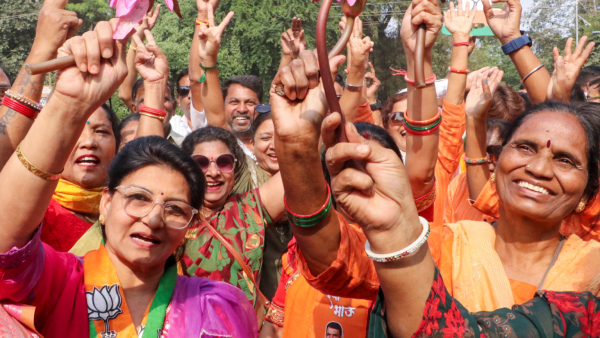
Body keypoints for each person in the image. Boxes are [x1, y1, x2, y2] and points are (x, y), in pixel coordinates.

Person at [0, 20, 256, 337]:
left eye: (175, 209)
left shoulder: (217, 306)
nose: (153, 219)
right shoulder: (60, 284)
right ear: (105, 204)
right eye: (138, 198)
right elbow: (5, 242)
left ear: (190, 225)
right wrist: (68, 105)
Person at [41, 103, 120, 253]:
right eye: (73, 129)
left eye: (101, 132)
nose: (89, 143)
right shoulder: (33, 209)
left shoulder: (130, 208)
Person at [169, 67, 208, 138]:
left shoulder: (219, 125)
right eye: (184, 90)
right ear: (178, 99)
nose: (190, 95)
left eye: (196, 90)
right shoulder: (171, 126)